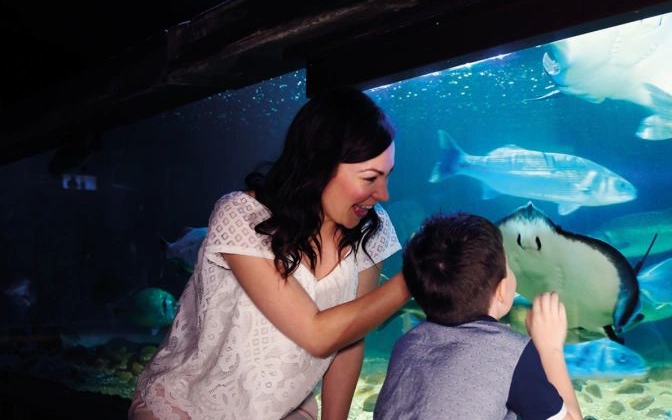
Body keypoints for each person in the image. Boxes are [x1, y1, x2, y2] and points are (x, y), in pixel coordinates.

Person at [129, 87, 412, 420]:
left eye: (387, 176)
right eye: (370, 178)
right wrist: (412, 278)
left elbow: (348, 340)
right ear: (318, 165)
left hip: (287, 408)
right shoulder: (240, 215)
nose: (384, 194)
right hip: (186, 404)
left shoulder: (370, 230)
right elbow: (317, 334)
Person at [373, 212, 583, 420]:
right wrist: (550, 350)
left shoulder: (406, 344)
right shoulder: (514, 354)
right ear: (502, 290)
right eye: (508, 267)